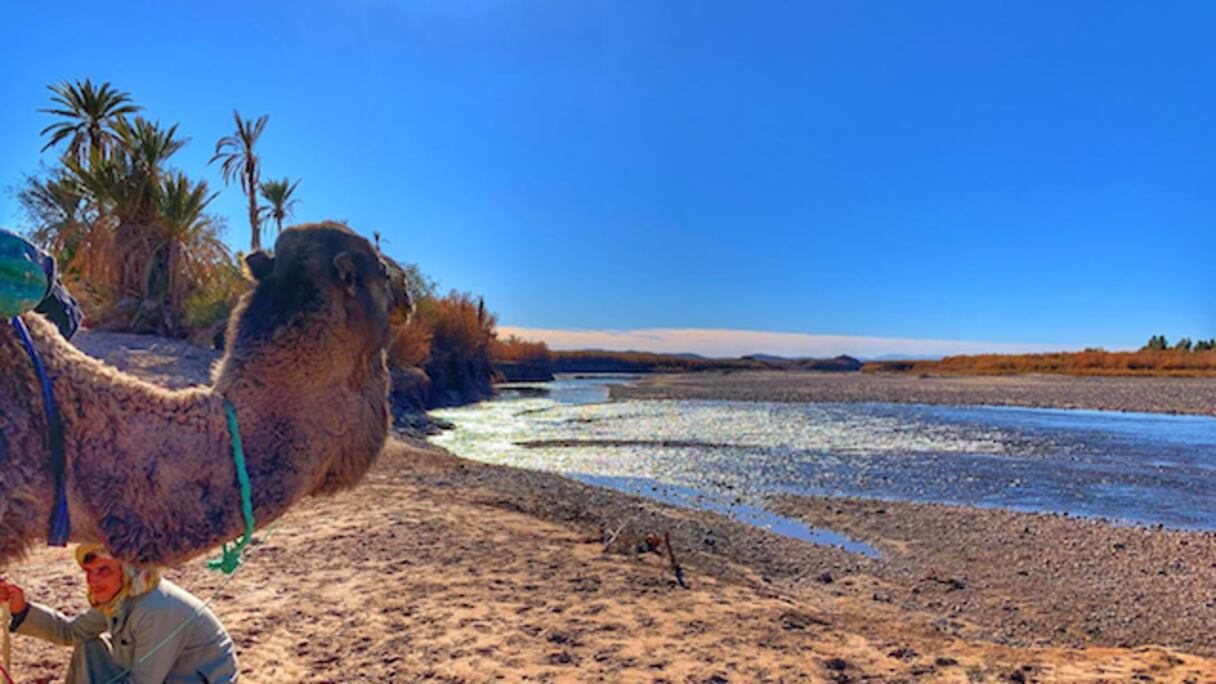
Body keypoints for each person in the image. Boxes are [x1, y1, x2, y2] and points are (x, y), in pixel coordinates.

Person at [0, 545, 238, 683]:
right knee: (88, 645)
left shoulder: (155, 607)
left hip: (195, 680)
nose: (92, 580)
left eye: (103, 570)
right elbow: (70, 632)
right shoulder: (118, 597)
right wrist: (19, 606)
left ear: (128, 571)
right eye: (88, 571)